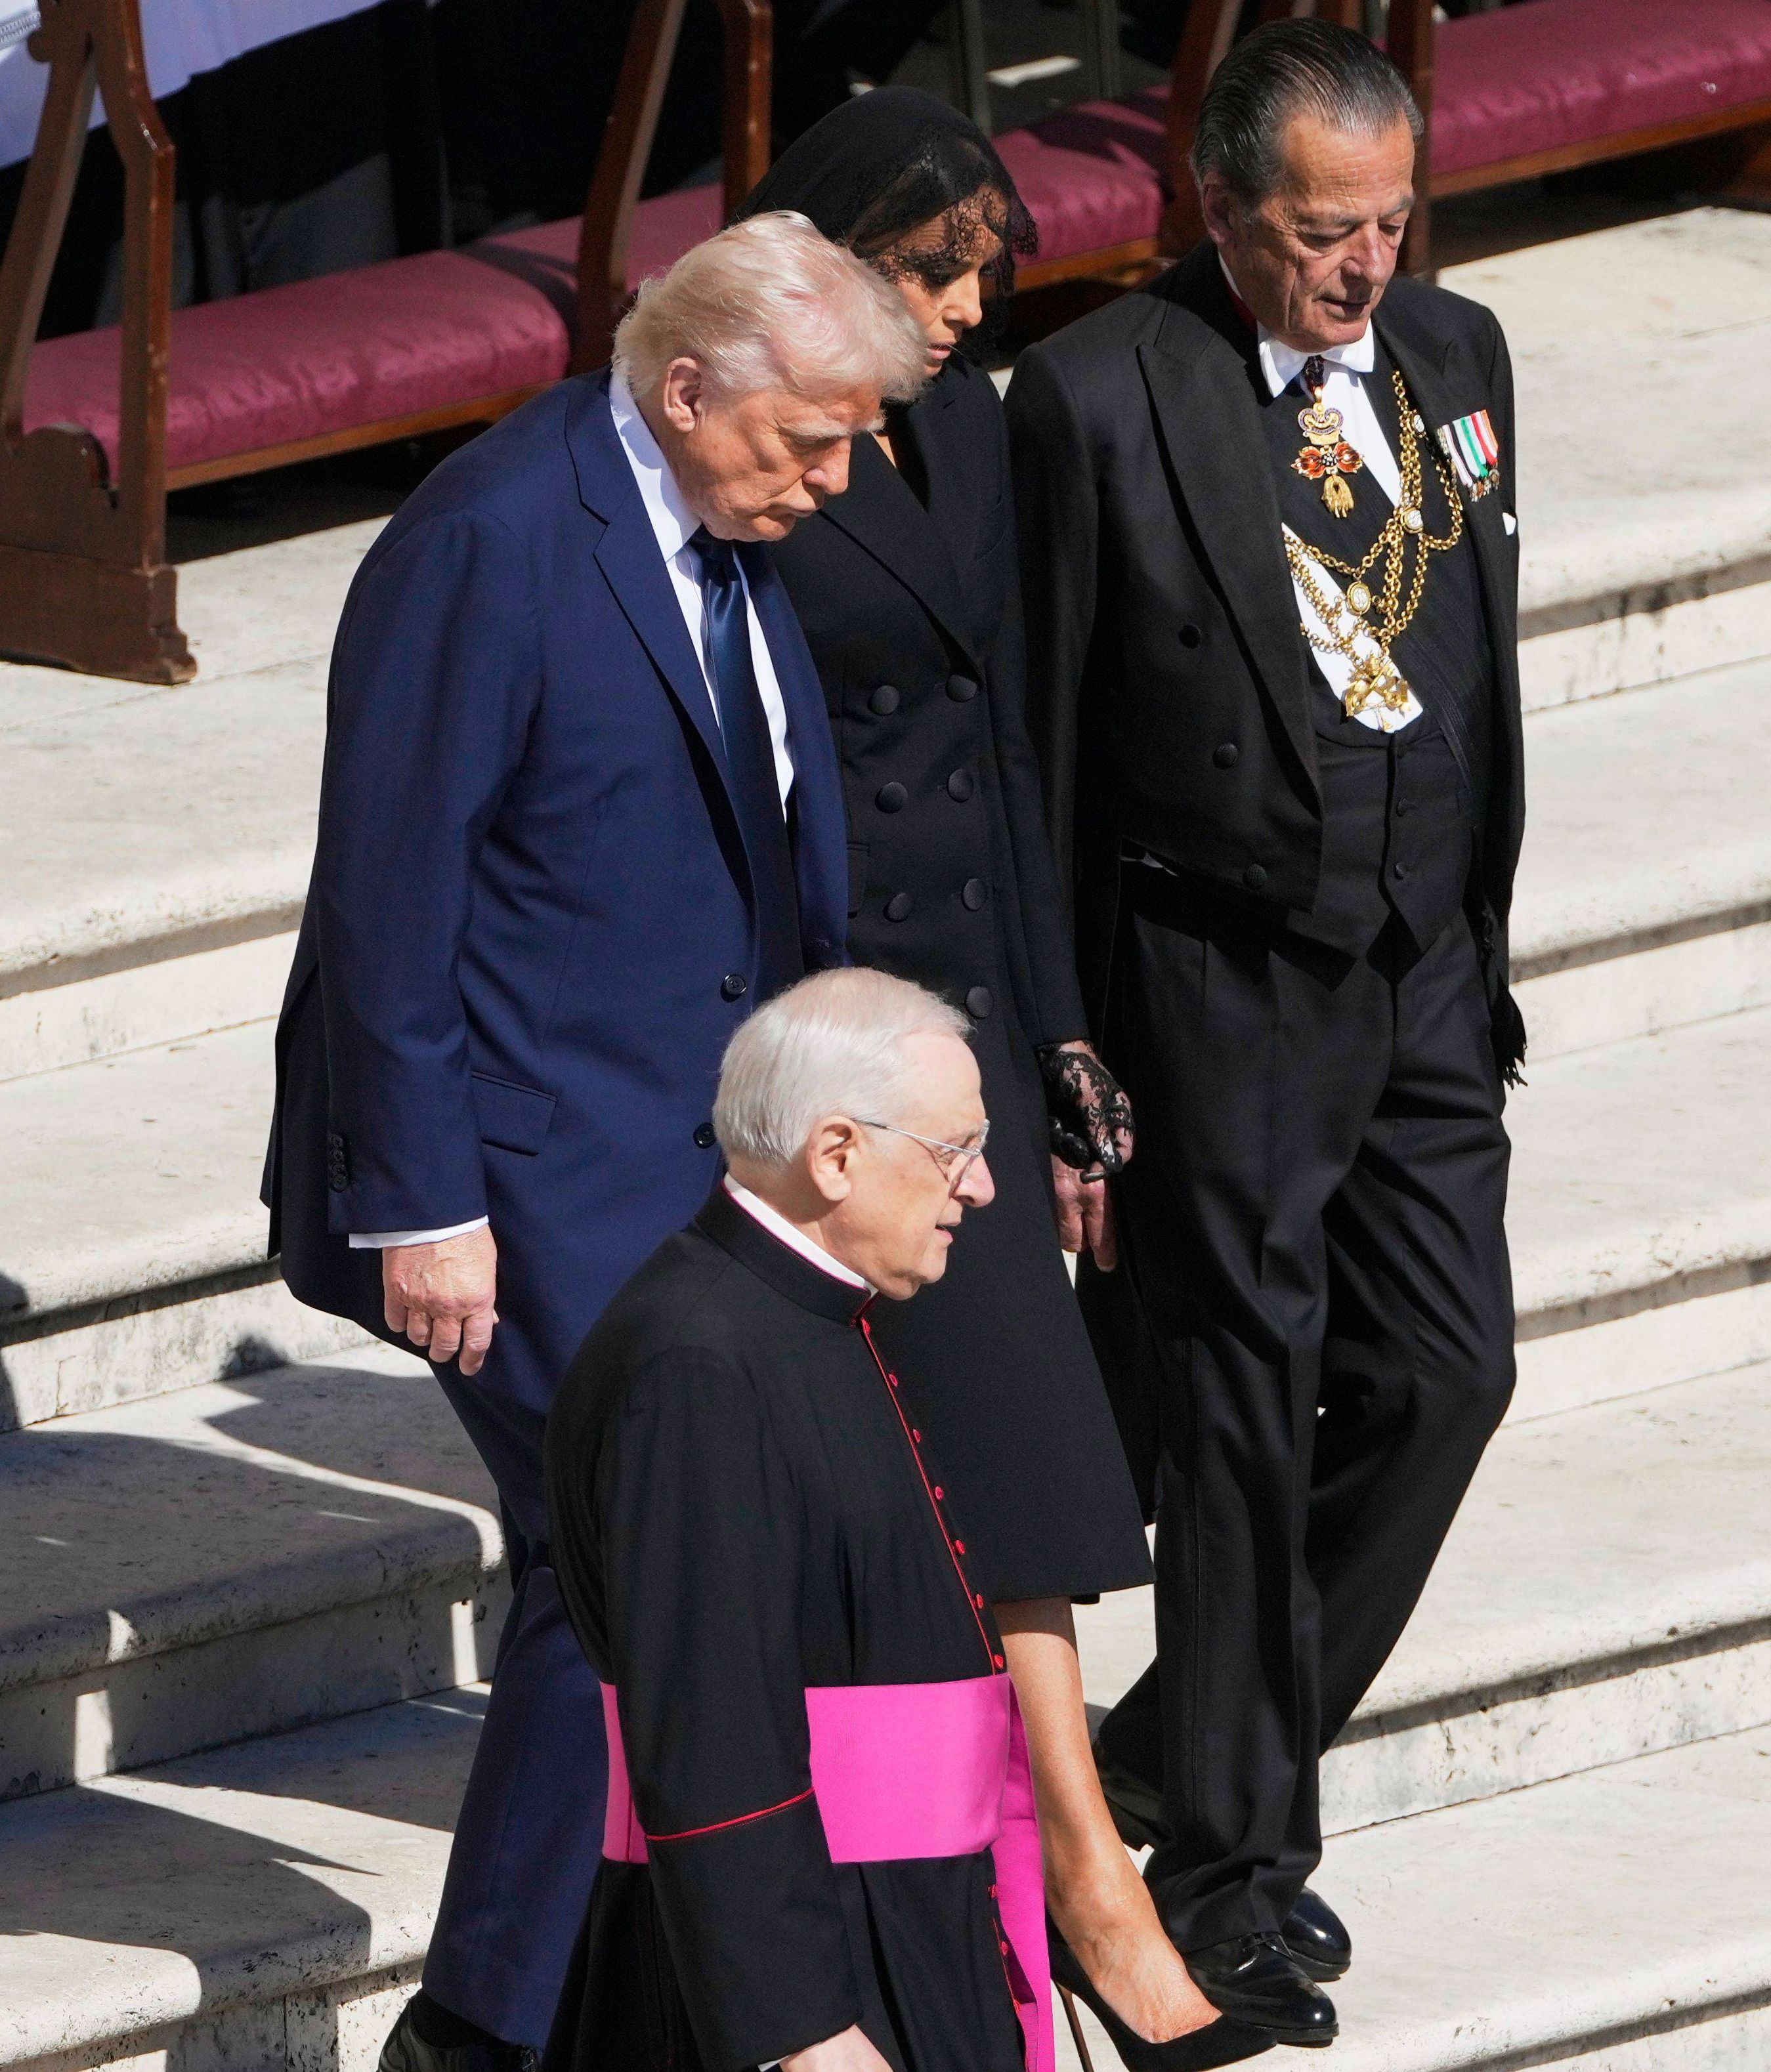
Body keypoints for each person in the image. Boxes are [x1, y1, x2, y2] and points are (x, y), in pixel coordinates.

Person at [261, 215, 929, 2070]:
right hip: (529, 1167)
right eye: (808, 438)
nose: (835, 477)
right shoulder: (491, 540)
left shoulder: (727, 526)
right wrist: (423, 1197)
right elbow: (390, 893)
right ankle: (483, 2029)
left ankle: (574, 2005)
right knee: (618, 1557)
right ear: (687, 384)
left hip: (689, 1155)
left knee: (637, 1572)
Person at [1006, 20, 1524, 2050]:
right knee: (1235, 1418)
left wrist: (1474, 936)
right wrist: (1058, 1040)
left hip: (1416, 973)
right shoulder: (1094, 395)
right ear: (1218, 210)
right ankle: (1230, 1874)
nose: (1362, 267)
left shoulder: (1461, 355)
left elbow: (1465, 642)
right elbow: (1034, 737)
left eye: (1390, 222)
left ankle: (1167, 1754)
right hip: (1214, 981)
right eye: (1322, 232)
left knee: (1447, 1370)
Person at [737, 94, 1241, 2069]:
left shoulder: (969, 427)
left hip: (967, 1027)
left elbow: (1014, 750)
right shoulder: (764, 454)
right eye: (929, 270)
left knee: (1026, 1469)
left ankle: (1070, 1866)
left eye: (978, 274)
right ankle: (1083, 1880)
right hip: (834, 1043)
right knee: (970, 1482)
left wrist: (1052, 1049)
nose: (962, 310)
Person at [542, 968, 1272, 2072]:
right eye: (954, 1150)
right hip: (819, 1974)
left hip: (908, 1915)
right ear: (835, 1153)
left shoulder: (810, 1313)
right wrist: (801, 2028)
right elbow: (709, 1725)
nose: (980, 1189)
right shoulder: (695, 1362)